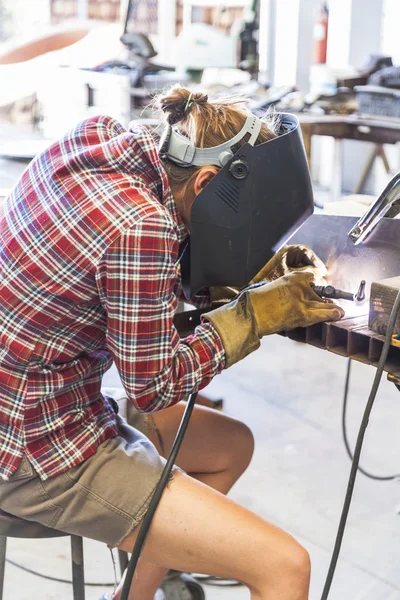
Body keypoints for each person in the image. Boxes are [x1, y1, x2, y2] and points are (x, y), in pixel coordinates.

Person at [0, 86, 344, 600]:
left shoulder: (96, 140)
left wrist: (233, 274)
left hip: (40, 400)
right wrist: (254, 315)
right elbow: (152, 385)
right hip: (33, 447)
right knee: (284, 566)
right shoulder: (144, 225)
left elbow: (118, 274)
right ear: (207, 182)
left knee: (231, 445)